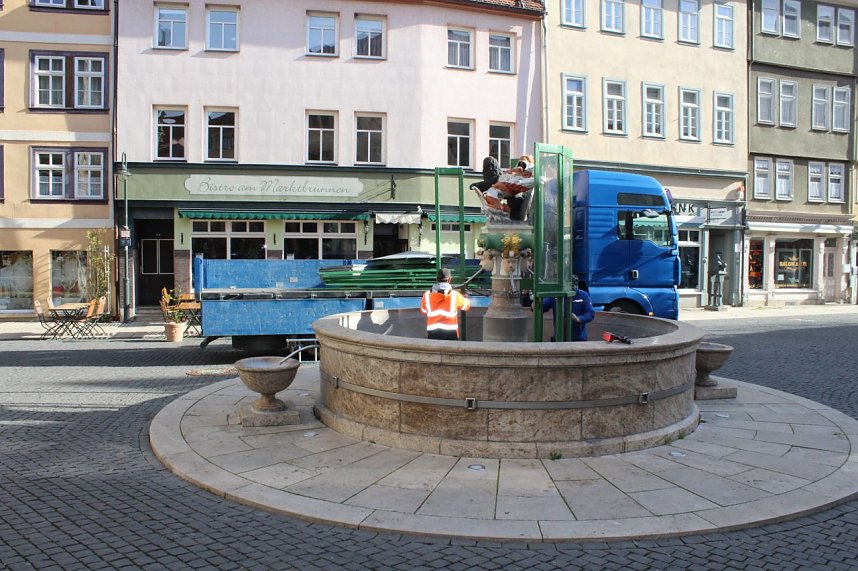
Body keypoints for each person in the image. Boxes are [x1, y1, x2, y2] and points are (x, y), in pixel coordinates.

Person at [420, 268, 471, 340]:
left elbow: (423, 311)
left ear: (436, 279)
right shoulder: (455, 295)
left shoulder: (427, 295)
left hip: (432, 332)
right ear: (450, 279)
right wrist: (465, 299)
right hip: (451, 333)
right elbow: (466, 306)